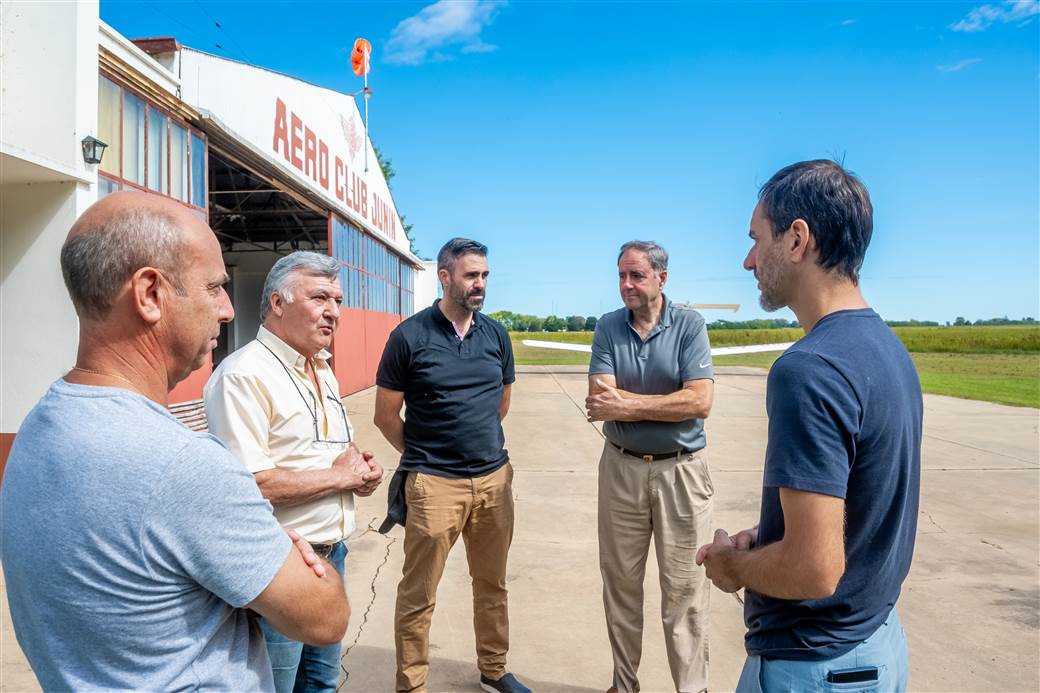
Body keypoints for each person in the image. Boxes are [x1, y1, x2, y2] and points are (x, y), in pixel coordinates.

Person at [0, 192, 349, 691]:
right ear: (150, 294)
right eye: (213, 287)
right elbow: (325, 618)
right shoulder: (182, 464)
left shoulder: (40, 426)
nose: (228, 310)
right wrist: (293, 557)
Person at [696, 160, 922, 692]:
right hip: (876, 642)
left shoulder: (809, 369)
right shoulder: (887, 350)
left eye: (757, 239)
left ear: (797, 239)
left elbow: (814, 567)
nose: (749, 260)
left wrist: (733, 567)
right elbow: (859, 509)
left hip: (814, 666)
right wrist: (770, 537)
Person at [204, 250, 383, 693]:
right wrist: (340, 478)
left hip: (332, 557)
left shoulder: (322, 371)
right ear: (278, 304)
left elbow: (328, 456)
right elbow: (250, 485)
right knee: (274, 686)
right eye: (320, 297)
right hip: (277, 566)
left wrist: (359, 472)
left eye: (337, 300)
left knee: (320, 684)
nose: (334, 313)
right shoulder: (244, 376)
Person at [373, 238, 529, 693]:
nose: (479, 284)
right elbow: (385, 416)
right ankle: (413, 684)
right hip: (433, 485)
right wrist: (425, 456)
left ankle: (494, 670)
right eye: (470, 276)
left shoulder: (496, 335)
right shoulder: (409, 336)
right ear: (445, 277)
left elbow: (500, 403)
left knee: (492, 585)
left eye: (484, 275)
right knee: (419, 593)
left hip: (493, 481)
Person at [586, 241, 716, 693]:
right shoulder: (607, 327)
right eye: (621, 275)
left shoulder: (690, 326)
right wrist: (665, 404)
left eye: (636, 276)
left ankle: (692, 688)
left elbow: (700, 401)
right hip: (620, 470)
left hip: (681, 472)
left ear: (662, 278)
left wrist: (630, 403)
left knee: (684, 590)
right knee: (620, 586)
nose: (626, 285)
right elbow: (601, 403)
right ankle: (624, 686)